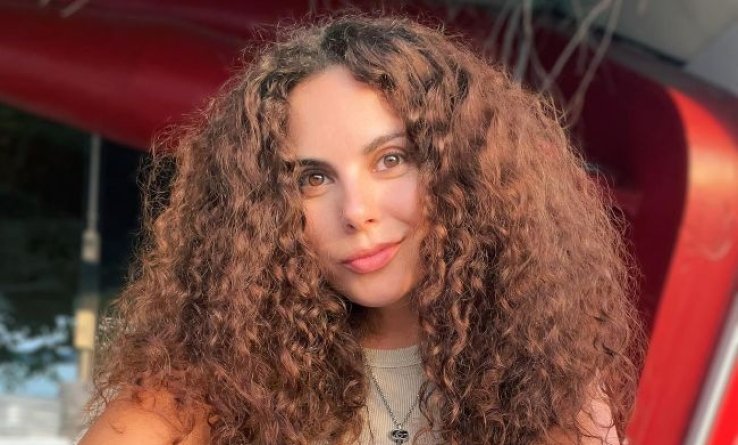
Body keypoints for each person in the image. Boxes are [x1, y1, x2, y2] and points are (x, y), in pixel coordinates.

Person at [78, 12, 643, 445]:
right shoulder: (204, 386)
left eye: (391, 160)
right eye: (312, 178)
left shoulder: (546, 383)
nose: (356, 210)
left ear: (466, 172)